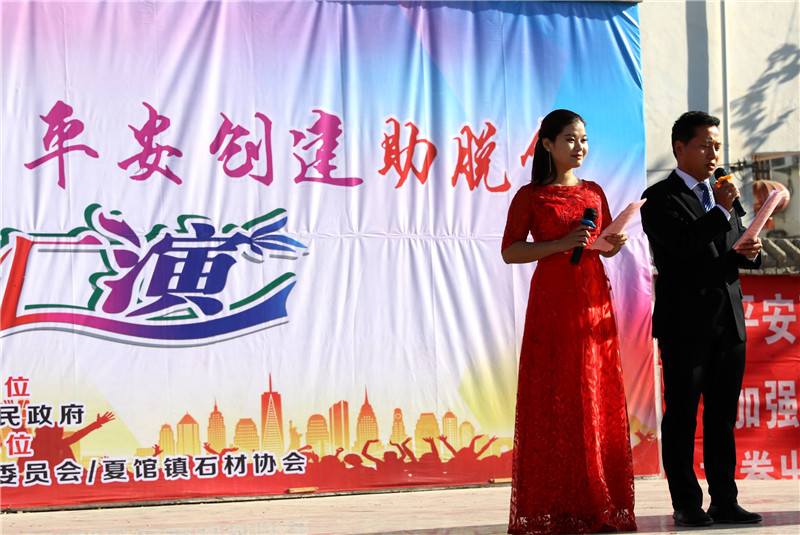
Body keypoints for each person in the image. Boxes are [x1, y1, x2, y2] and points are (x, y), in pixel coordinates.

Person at [502, 109, 636, 534]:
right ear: (547, 144)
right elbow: (510, 251)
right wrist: (560, 243)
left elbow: (602, 245)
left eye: (584, 139)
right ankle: (557, 506)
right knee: (557, 398)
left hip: (593, 302)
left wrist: (613, 243)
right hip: (553, 304)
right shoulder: (531, 196)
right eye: (570, 139)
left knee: (595, 396)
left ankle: (599, 503)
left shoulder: (594, 192)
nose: (580, 147)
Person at [640, 111, 763, 527]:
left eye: (717, 146)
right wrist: (722, 211)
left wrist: (752, 249)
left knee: (722, 416)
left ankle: (725, 500)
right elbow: (682, 248)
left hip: (728, 321)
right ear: (680, 148)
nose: (714, 154)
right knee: (682, 415)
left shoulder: (721, 193)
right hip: (685, 325)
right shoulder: (660, 198)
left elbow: (733, 248)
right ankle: (686, 503)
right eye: (704, 146)